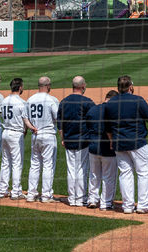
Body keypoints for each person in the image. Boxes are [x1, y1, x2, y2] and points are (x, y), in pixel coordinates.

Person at [104, 75, 148, 214]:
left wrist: (112, 140)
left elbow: (107, 126)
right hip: (137, 142)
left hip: (119, 143)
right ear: (130, 87)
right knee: (143, 172)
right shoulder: (137, 100)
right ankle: (143, 205)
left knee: (125, 173)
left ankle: (128, 206)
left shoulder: (110, 103)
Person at [58, 76, 95, 207]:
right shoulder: (87, 102)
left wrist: (63, 139)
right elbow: (94, 120)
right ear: (83, 86)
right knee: (81, 169)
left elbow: (60, 124)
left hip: (68, 140)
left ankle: (72, 198)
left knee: (71, 169)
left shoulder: (63, 102)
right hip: (83, 141)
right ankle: (80, 198)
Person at [0, 78, 35, 200]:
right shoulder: (22, 102)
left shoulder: (4, 101)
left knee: (5, 163)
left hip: (5, 132)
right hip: (16, 134)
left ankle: (2, 190)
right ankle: (16, 191)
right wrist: (29, 129)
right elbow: (25, 120)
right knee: (16, 163)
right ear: (20, 87)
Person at [26, 76, 60, 203]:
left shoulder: (30, 99)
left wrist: (32, 127)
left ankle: (31, 194)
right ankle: (46, 195)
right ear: (48, 86)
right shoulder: (51, 100)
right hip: (48, 135)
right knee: (48, 165)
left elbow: (25, 118)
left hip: (35, 135)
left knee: (34, 165)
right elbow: (57, 118)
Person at [86, 90, 119, 210]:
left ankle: (92, 200)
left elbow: (87, 127)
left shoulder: (93, 109)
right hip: (108, 149)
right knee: (108, 177)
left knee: (94, 175)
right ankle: (106, 203)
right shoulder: (114, 111)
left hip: (93, 147)